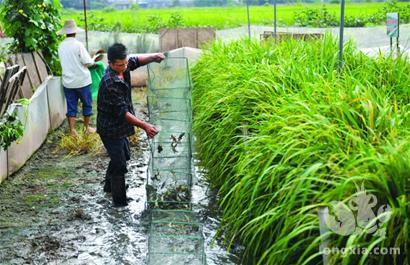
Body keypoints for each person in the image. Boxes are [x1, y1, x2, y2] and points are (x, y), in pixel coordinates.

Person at [97, 43, 164, 207]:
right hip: (110, 128)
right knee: (119, 164)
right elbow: (123, 112)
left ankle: (108, 186)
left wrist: (153, 57)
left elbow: (135, 61)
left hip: (120, 126)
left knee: (123, 155)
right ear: (110, 63)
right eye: (120, 64)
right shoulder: (110, 82)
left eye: (125, 63)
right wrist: (145, 125)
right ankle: (120, 203)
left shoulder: (123, 68)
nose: (125, 66)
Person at [57, 19, 96, 137]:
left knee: (71, 106)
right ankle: (86, 128)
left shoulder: (61, 46)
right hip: (82, 81)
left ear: (65, 32)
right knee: (87, 104)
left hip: (68, 82)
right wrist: (93, 60)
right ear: (75, 32)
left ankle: (72, 130)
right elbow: (88, 62)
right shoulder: (78, 45)